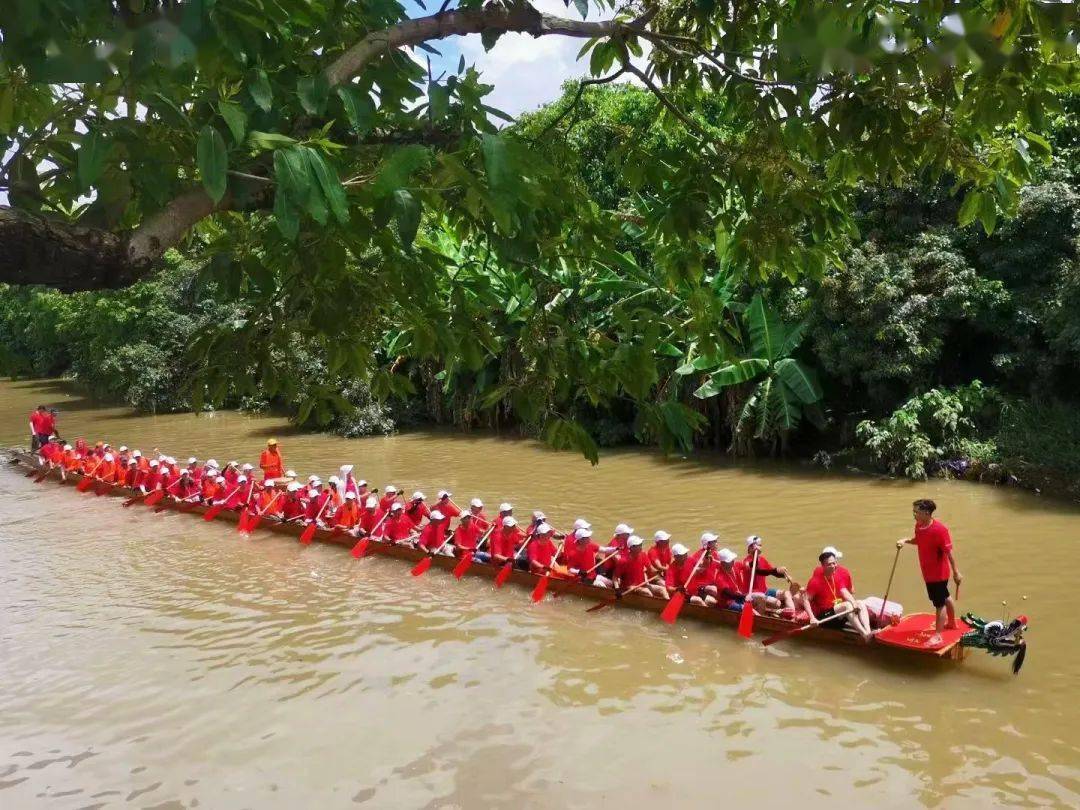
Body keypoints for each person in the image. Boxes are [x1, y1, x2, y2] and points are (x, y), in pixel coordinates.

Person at [898, 498, 963, 647]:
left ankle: (938, 635)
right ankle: (952, 623)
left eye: (917, 512)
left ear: (927, 513)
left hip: (938, 574)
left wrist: (956, 572)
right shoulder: (919, 526)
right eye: (913, 512)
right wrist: (906, 540)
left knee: (939, 604)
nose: (914, 515)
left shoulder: (940, 530)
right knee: (945, 596)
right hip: (927, 572)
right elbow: (919, 540)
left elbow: (949, 553)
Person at [801, 548, 874, 643]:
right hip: (824, 618)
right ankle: (864, 635)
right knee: (847, 605)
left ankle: (868, 632)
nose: (833, 566)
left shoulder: (836, 575)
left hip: (837, 614)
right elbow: (805, 599)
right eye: (829, 564)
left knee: (859, 602)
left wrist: (854, 603)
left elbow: (845, 591)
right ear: (823, 566)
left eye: (834, 563)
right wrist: (812, 618)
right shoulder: (815, 581)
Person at [744, 535, 795, 612]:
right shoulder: (746, 562)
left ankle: (792, 614)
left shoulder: (762, 559)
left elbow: (771, 572)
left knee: (787, 593)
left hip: (765, 591)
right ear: (751, 547)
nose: (760, 547)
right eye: (759, 545)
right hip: (754, 594)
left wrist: (784, 575)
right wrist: (776, 570)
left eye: (760, 545)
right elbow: (760, 571)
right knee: (777, 603)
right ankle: (769, 611)